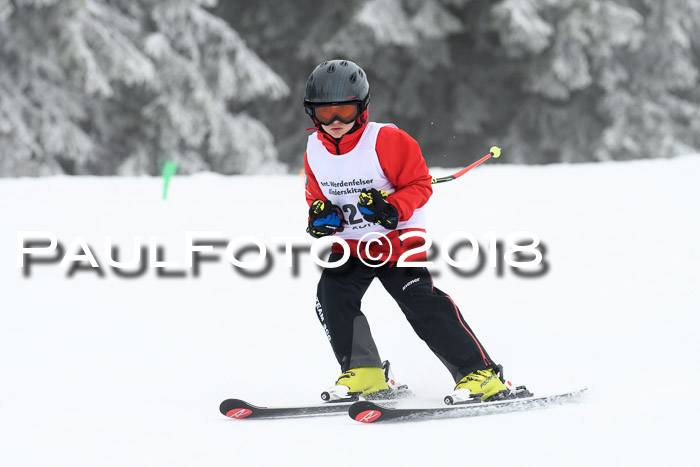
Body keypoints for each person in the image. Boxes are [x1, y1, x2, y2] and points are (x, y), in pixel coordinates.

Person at [302, 59, 508, 402]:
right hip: (352, 246)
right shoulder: (314, 151)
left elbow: (420, 185)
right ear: (312, 114)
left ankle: (480, 374)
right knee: (332, 295)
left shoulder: (388, 140)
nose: (336, 122)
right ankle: (365, 372)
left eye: (345, 111)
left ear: (362, 108)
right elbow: (316, 196)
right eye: (325, 114)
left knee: (421, 303)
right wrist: (322, 218)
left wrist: (391, 208)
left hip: (398, 244)